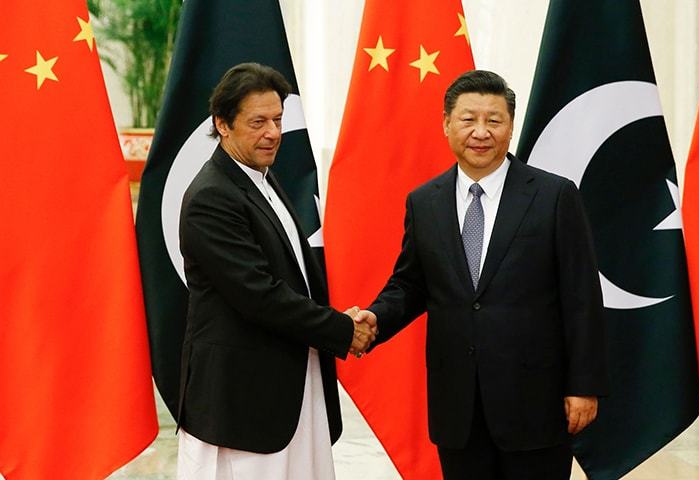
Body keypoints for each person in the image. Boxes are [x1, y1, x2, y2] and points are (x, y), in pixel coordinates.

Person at [355, 70, 608, 479]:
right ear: (446, 124)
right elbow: (411, 283)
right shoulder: (424, 202)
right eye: (468, 119)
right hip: (458, 407)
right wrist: (375, 319)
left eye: (494, 120)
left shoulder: (554, 196)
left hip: (535, 403)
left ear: (511, 126)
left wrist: (584, 384)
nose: (481, 132)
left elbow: (582, 297)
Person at [176, 63, 375, 480]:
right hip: (243, 405)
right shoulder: (212, 196)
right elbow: (259, 295)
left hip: (291, 388)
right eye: (258, 122)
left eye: (278, 120)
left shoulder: (261, 178)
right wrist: (341, 329)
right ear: (222, 124)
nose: (273, 133)